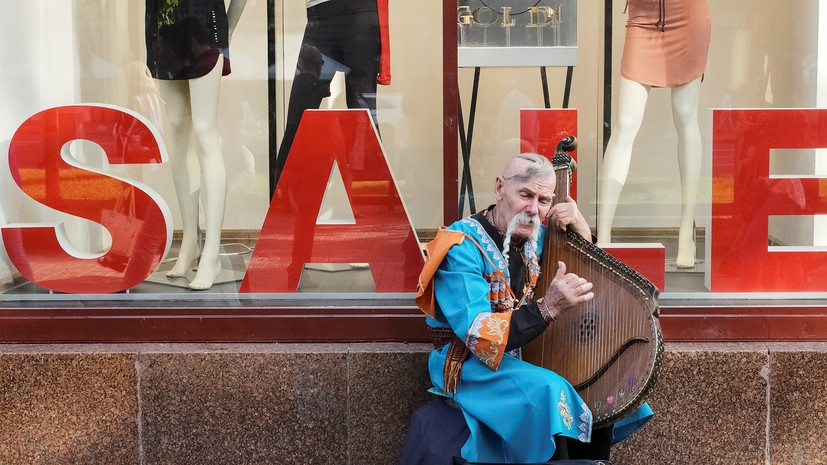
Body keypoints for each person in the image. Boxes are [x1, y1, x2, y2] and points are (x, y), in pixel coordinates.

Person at [408, 154, 649, 464]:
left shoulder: (539, 238)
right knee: (549, 389)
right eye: (525, 194)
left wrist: (581, 228)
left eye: (544, 200)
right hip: (468, 363)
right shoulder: (461, 246)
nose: (534, 208)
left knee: (607, 381)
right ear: (499, 188)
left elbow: (588, 279)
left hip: (531, 350)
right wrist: (547, 308)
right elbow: (478, 335)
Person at [597, 0, 711, 268]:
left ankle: (686, 231)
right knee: (624, 124)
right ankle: (603, 236)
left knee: (685, 116)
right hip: (643, 16)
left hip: (687, 14)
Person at [144, 0, 247, 289]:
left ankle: (212, 251)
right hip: (161, 25)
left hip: (204, 23)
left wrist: (228, 29)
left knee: (204, 129)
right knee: (177, 131)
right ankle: (190, 240)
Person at [270, 0, 391, 198]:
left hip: (359, 13)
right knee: (298, 117)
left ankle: (373, 208)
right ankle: (282, 210)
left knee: (363, 117)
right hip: (319, 14)